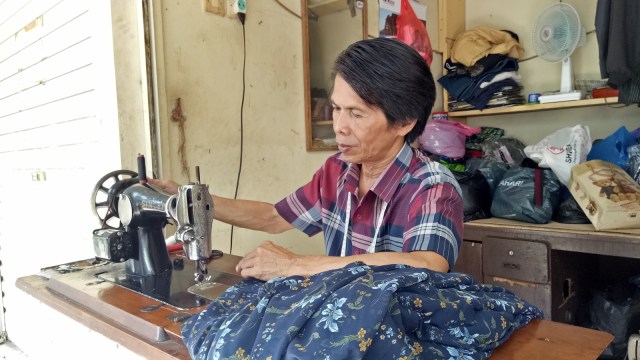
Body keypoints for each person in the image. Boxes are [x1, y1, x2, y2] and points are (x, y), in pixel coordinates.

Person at [149, 37, 463, 281]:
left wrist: (297, 264)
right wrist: (193, 200)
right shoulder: (338, 171)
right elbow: (273, 218)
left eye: (356, 114)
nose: (339, 126)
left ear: (405, 122)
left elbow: (428, 263)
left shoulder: (431, 184)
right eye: (337, 109)